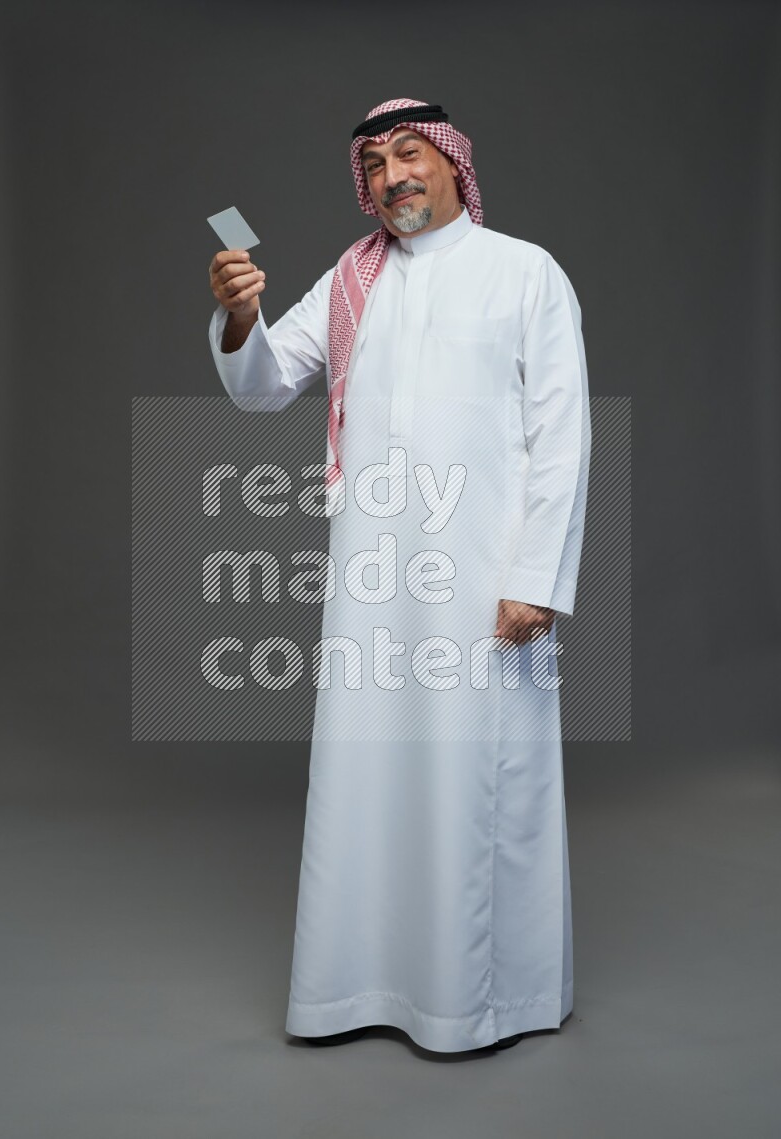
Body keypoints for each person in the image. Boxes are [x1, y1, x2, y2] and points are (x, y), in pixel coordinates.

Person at [207, 98, 591, 1054]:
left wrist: (536, 579)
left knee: (479, 781)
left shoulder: (524, 272)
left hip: (485, 586)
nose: (393, 177)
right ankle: (357, 990)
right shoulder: (352, 280)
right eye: (376, 164)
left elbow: (562, 439)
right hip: (374, 585)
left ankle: (482, 1001)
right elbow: (262, 389)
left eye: (410, 154)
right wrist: (239, 317)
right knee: (368, 777)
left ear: (455, 163)